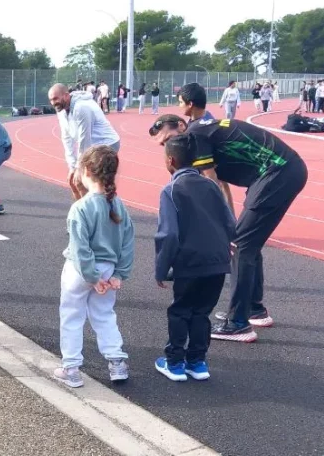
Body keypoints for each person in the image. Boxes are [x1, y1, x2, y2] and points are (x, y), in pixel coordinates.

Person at [149, 111, 308, 342]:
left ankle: (238, 323)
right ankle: (254, 309)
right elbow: (221, 185)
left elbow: (210, 184)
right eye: (162, 144)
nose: (167, 146)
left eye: (167, 139)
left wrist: (218, 228)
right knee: (247, 241)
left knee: (241, 246)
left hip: (277, 173)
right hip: (281, 172)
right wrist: (228, 224)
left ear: (182, 127)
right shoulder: (201, 134)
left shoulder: (195, 136)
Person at [153, 133, 236, 382]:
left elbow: (168, 234)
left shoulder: (171, 190)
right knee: (202, 312)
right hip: (217, 262)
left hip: (189, 262)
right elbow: (230, 223)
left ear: (170, 161)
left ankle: (175, 361)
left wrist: (161, 268)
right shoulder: (211, 185)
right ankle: (197, 361)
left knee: (181, 310)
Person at [53, 145, 134, 388]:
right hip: (109, 268)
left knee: (72, 315)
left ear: (86, 170)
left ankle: (71, 368)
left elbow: (80, 247)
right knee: (104, 314)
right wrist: (120, 273)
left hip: (80, 270)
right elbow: (128, 242)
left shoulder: (80, 208)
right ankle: (117, 361)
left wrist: (91, 275)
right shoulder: (118, 205)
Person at [48, 83, 121, 200]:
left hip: (107, 145)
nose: (53, 102)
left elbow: (84, 140)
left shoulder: (81, 108)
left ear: (66, 95)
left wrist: (79, 168)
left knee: (89, 183)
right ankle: (87, 212)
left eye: (56, 98)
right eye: (51, 100)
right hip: (92, 147)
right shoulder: (61, 111)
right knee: (76, 181)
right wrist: (72, 166)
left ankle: (100, 211)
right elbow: (66, 138)